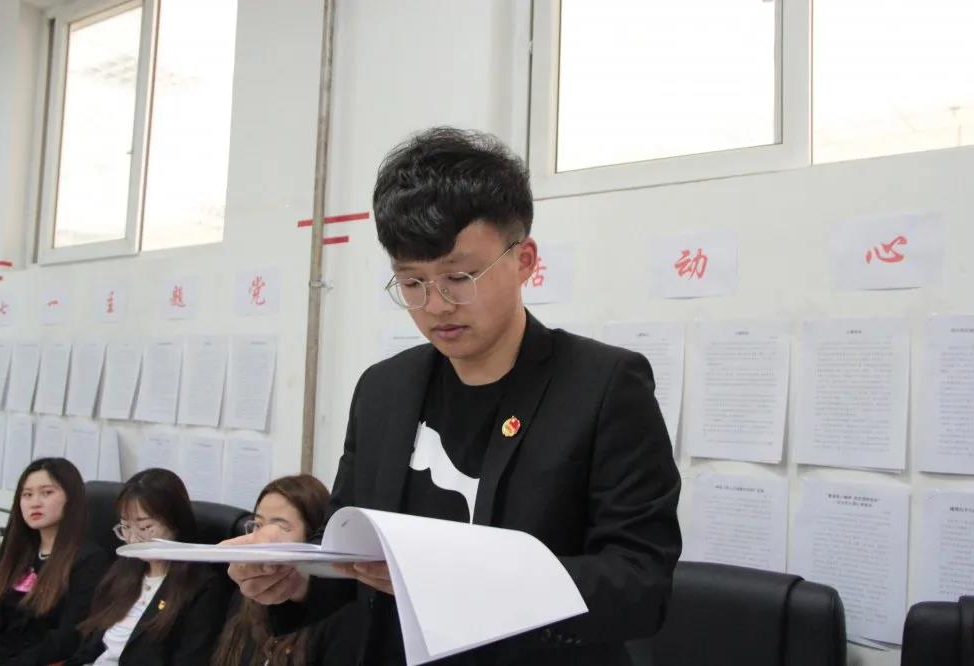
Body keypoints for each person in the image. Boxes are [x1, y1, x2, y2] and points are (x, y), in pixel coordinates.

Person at [228, 127, 682, 665]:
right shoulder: (382, 390)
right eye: (411, 283)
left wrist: (463, 583)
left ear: (525, 259)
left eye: (460, 277)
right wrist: (294, 582)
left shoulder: (603, 387)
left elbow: (639, 583)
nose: (436, 305)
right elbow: (352, 559)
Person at [66, 468, 230, 666]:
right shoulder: (122, 571)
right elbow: (87, 650)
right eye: (125, 527)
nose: (133, 539)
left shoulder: (201, 586)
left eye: (145, 527)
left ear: (175, 522)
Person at [213, 474, 361, 666]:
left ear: (312, 536)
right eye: (258, 525)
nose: (263, 538)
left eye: (281, 527)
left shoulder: (340, 616)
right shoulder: (246, 595)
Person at [0, 457, 109, 665]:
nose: (35, 502)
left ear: (71, 499)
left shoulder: (89, 560)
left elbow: (69, 639)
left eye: (47, 493)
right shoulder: (16, 552)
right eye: (27, 495)